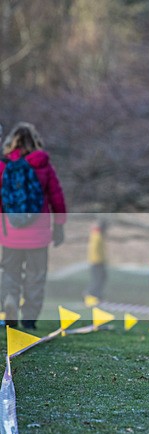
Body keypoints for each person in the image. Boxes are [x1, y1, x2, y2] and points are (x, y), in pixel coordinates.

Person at [0, 122, 67, 330]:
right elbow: (56, 197)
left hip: (11, 232)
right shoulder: (43, 165)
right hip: (38, 233)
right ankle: (29, 318)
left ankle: (10, 299)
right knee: (35, 275)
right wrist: (59, 225)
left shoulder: (4, 166)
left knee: (10, 272)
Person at [85, 219, 108, 303]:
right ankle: (91, 296)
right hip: (97, 262)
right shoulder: (97, 235)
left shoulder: (97, 235)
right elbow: (94, 249)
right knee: (97, 280)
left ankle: (98, 296)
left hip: (98, 261)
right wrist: (97, 260)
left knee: (101, 279)